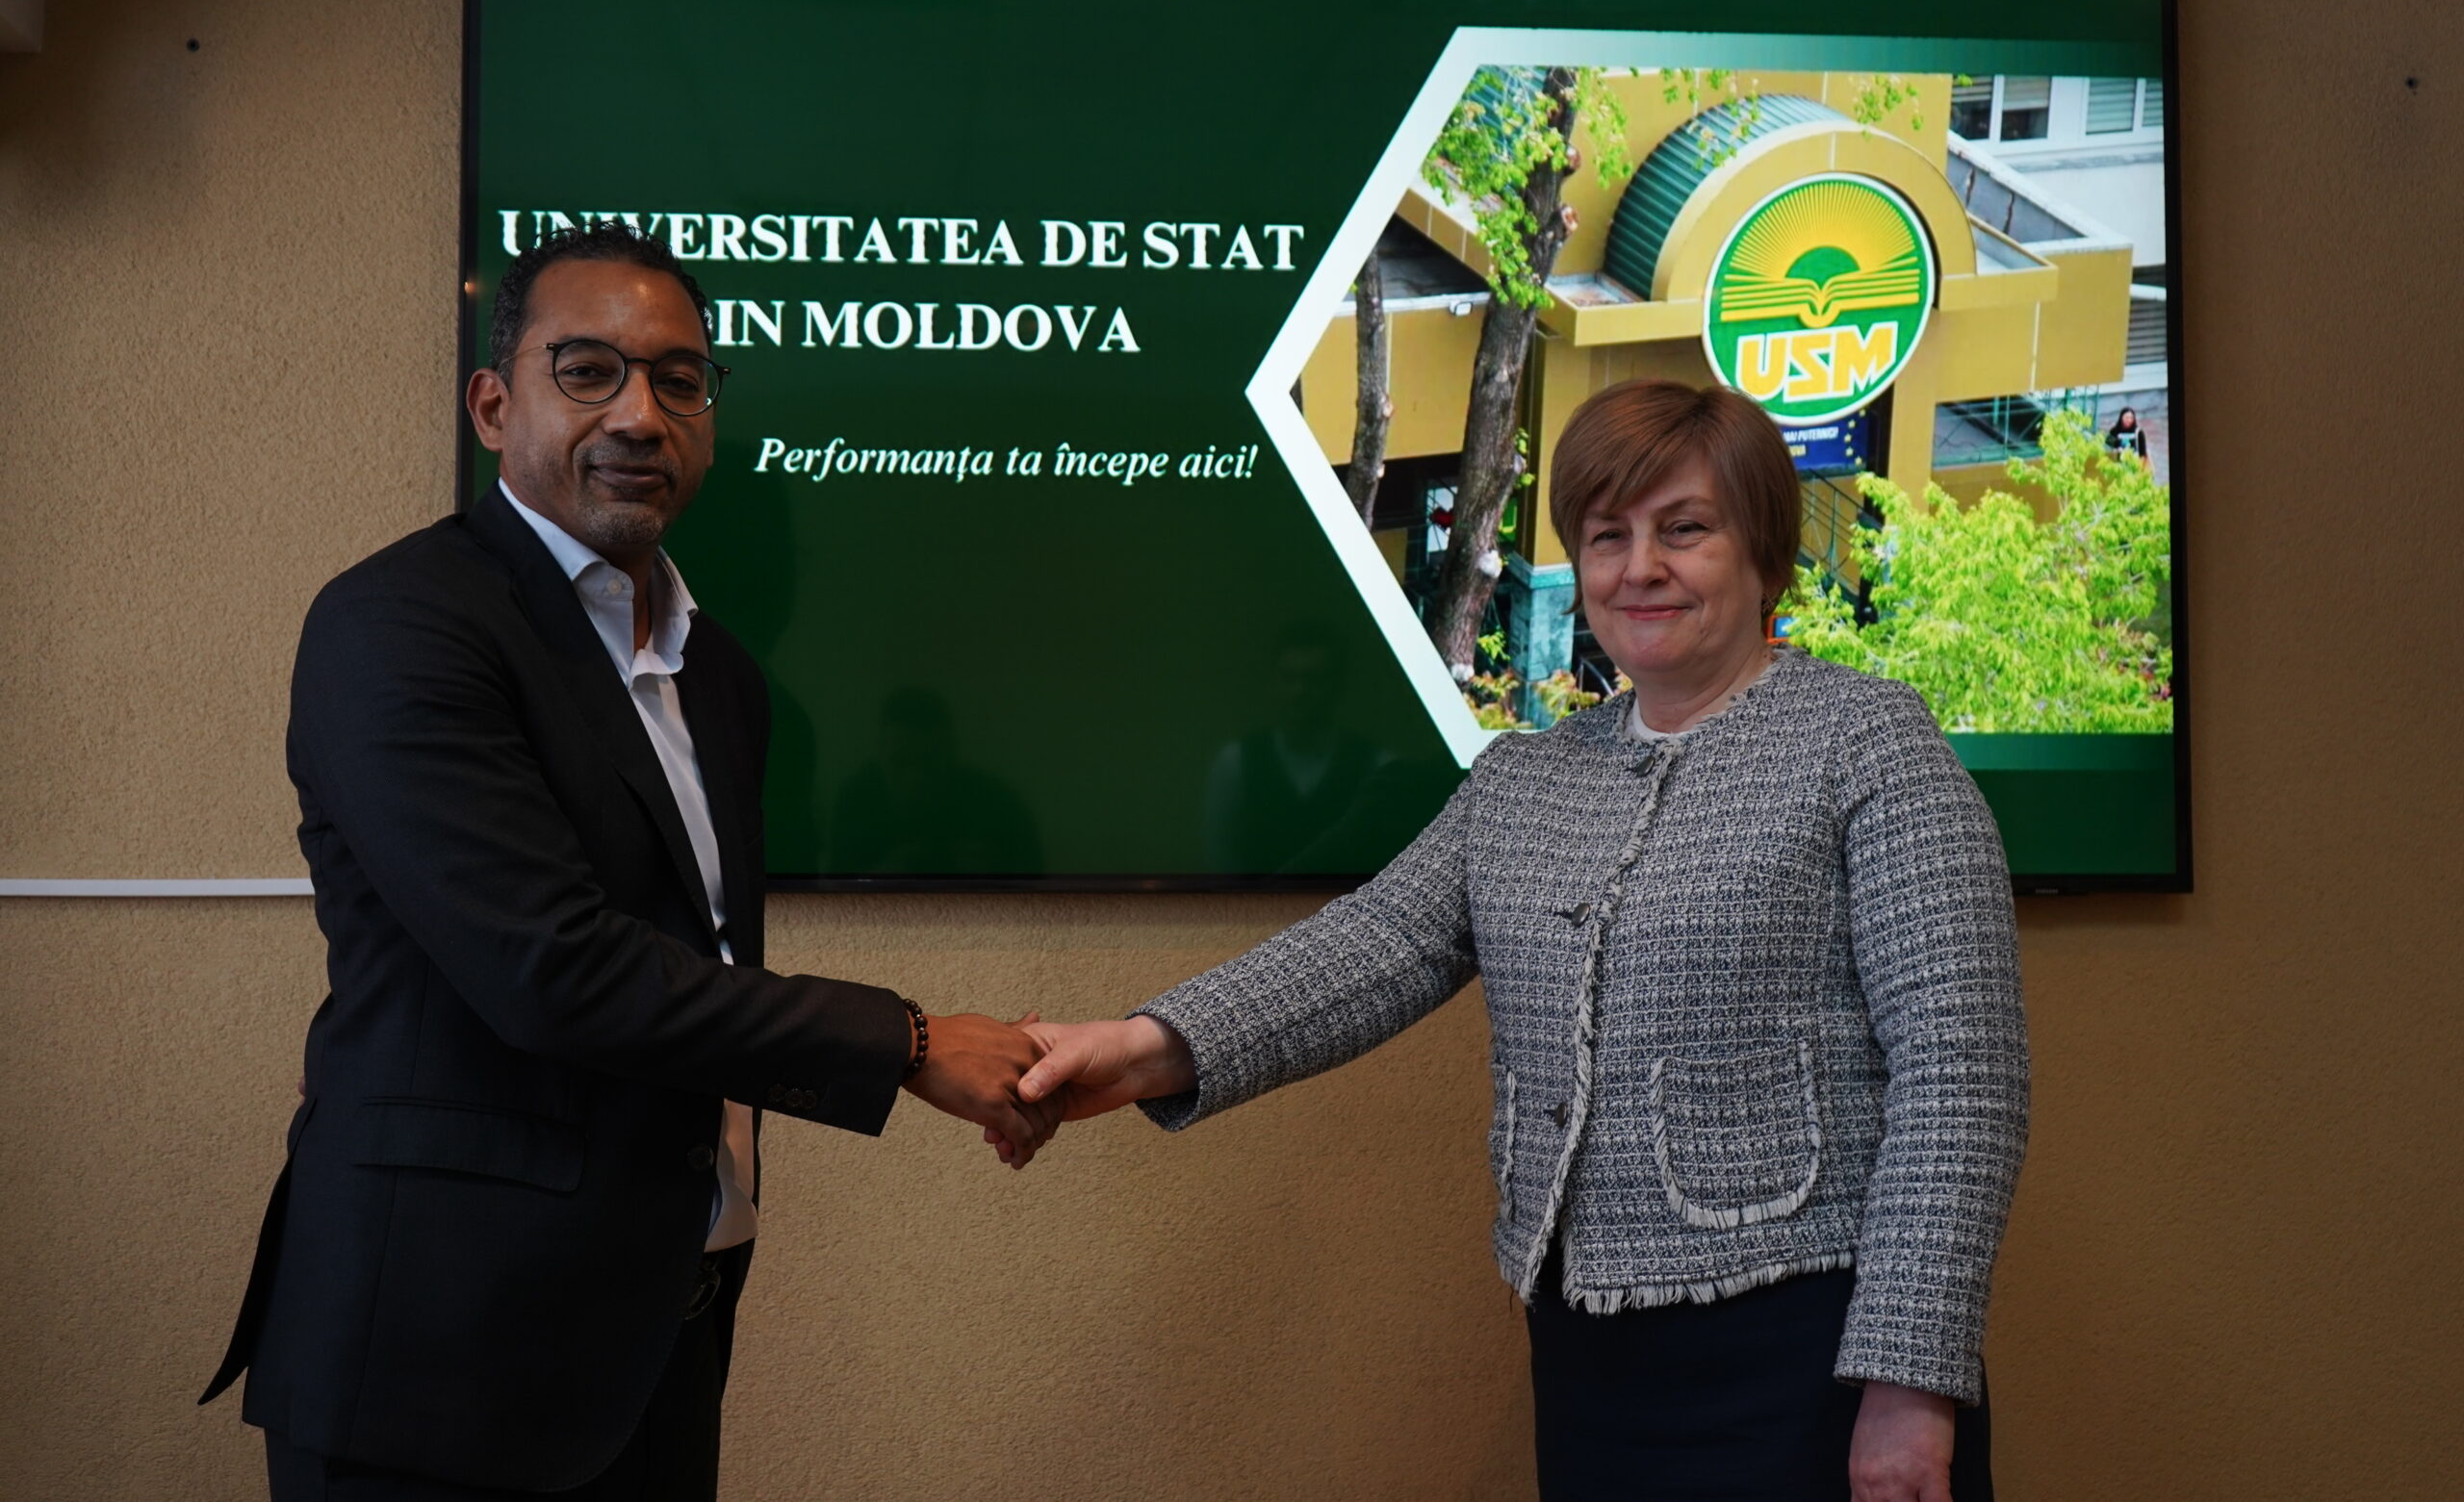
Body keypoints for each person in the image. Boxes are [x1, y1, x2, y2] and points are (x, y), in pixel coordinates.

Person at [1010, 380, 2030, 1501]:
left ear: (1765, 553)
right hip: (1589, 1364)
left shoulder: (1870, 744)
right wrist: (1144, 1046)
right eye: (1607, 536)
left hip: (1818, 1356)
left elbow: (1961, 1076)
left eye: (1684, 529)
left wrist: (1908, 1382)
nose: (1639, 568)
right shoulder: (1523, 778)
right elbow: (1374, 945)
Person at [200, 222, 1059, 1501]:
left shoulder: (721, 675)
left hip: (655, 1332)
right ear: (494, 406)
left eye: (679, 379)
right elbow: (553, 969)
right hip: (437, 1358)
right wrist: (912, 1042)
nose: (641, 415)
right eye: (587, 370)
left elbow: (690, 961)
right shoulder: (400, 624)